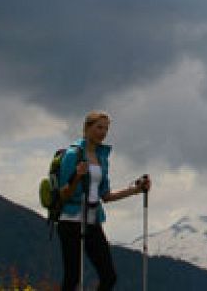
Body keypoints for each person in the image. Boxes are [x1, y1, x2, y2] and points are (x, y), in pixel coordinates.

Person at [57, 110, 152, 291]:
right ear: (87, 128)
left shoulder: (101, 157)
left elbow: (106, 196)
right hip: (70, 221)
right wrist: (77, 176)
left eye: (106, 129)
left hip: (93, 220)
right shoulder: (72, 155)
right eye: (99, 127)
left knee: (109, 276)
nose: (102, 132)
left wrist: (137, 190)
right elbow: (64, 194)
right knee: (72, 278)